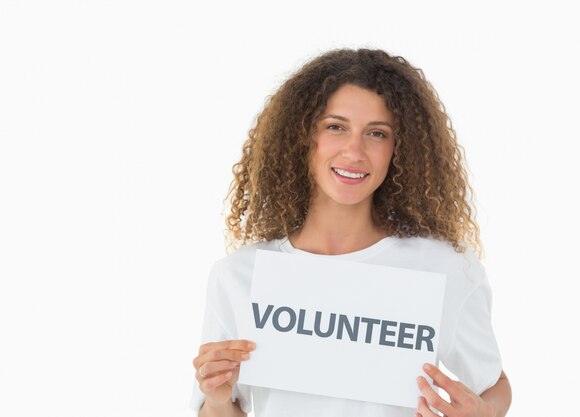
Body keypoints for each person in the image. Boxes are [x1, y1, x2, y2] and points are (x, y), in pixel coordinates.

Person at [190, 48, 512, 417]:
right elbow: (219, 409)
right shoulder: (239, 276)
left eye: (377, 133)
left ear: (399, 149)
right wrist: (216, 400)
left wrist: (484, 413)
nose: (354, 151)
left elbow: (494, 386)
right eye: (335, 127)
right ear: (302, 137)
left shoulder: (444, 269)